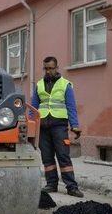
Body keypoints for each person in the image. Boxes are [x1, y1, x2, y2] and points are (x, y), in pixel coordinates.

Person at [31, 56, 84, 197]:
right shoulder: (39, 85)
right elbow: (34, 108)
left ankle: (71, 187)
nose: (48, 71)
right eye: (46, 68)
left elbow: (71, 107)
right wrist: (30, 126)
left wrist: (75, 125)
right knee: (47, 158)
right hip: (42, 127)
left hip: (59, 126)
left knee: (63, 156)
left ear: (56, 68)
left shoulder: (65, 85)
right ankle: (51, 184)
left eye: (51, 68)